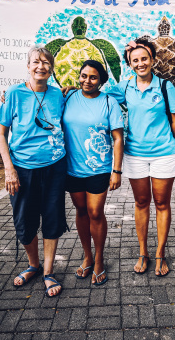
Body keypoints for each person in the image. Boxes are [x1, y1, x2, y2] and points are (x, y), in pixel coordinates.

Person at [0, 46, 67, 298]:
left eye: (46, 63)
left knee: (52, 219)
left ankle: (48, 271)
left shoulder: (58, 95)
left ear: (51, 69)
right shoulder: (14, 93)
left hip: (55, 167)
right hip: (22, 170)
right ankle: (33, 265)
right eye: (36, 62)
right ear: (28, 66)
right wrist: (9, 170)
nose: (41, 66)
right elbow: (1, 134)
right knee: (24, 222)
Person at [107, 38, 175, 276]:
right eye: (135, 60)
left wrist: (173, 144)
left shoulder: (165, 86)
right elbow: (96, 93)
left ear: (152, 60)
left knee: (162, 203)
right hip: (135, 154)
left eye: (144, 59)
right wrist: (69, 92)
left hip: (163, 154)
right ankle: (143, 252)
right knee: (141, 203)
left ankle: (160, 253)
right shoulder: (125, 87)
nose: (140, 63)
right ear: (130, 64)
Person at [62, 60, 124, 286]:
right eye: (83, 75)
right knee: (80, 211)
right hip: (72, 167)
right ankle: (87, 255)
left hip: (99, 168)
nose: (87, 81)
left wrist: (116, 170)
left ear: (101, 81)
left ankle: (99, 259)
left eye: (93, 77)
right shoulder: (67, 97)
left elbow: (118, 137)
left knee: (95, 212)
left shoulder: (109, 102)